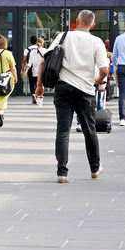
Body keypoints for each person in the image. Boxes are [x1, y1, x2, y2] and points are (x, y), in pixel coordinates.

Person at [35, 10, 109, 183]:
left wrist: (39, 86)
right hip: (86, 91)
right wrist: (97, 80)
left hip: (63, 88)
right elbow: (105, 70)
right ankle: (95, 168)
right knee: (89, 130)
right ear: (93, 25)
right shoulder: (96, 42)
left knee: (63, 130)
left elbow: (45, 61)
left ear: (76, 21)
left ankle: (62, 172)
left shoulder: (63, 36)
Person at [22, 36, 46, 104]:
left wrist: (26, 70)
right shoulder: (45, 51)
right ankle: (40, 96)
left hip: (34, 71)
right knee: (41, 85)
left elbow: (29, 63)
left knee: (33, 84)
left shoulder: (32, 52)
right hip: (42, 71)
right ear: (42, 43)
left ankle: (34, 94)